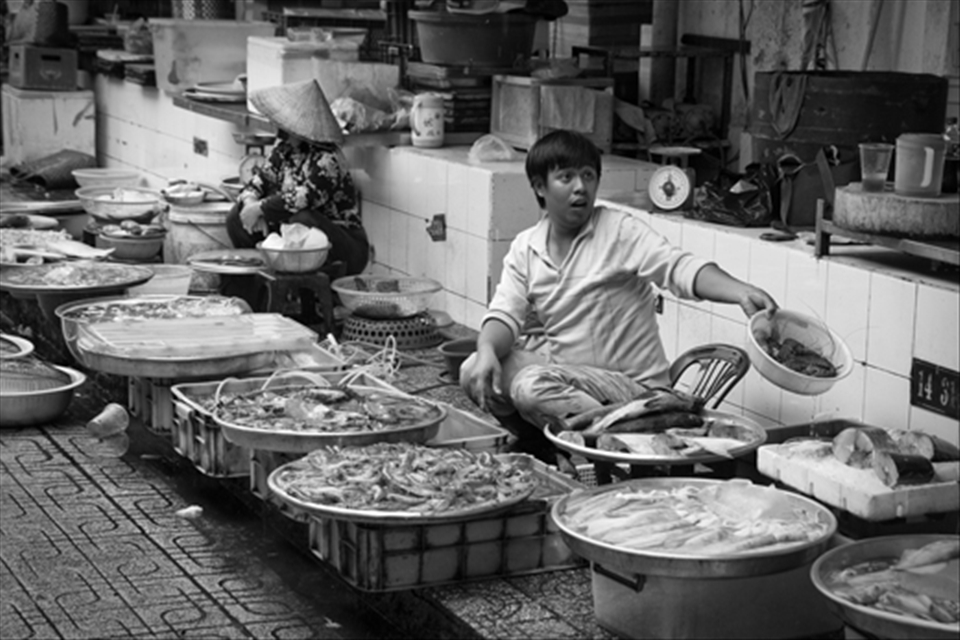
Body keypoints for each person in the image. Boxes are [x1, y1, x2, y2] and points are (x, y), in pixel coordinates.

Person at [459, 129, 778, 461]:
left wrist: (739, 291)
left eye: (588, 176)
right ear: (540, 186)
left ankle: (608, 447)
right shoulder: (527, 247)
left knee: (530, 386)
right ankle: (541, 445)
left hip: (636, 391)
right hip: (574, 382)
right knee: (474, 369)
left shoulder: (619, 230)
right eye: (566, 177)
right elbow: (505, 314)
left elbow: (678, 268)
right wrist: (485, 349)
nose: (580, 187)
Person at [226, 79, 370, 276]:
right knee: (236, 216)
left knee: (302, 219)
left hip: (344, 245)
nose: (279, 132)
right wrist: (251, 204)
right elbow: (257, 182)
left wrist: (260, 208)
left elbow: (303, 198)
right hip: (295, 239)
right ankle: (255, 287)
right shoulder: (283, 150)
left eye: (284, 128)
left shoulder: (328, 159)